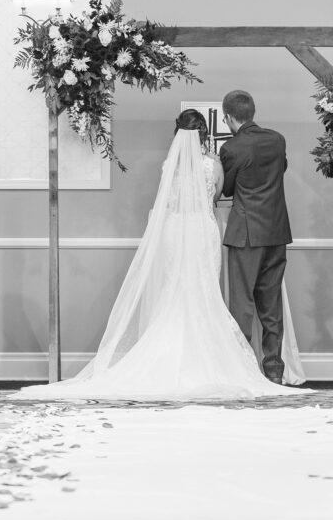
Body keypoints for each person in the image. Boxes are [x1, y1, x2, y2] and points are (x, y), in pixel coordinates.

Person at [19, 111, 299, 401]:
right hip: (203, 230)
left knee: (174, 289)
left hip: (175, 229)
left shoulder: (170, 166)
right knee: (204, 292)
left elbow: (170, 200)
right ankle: (230, 362)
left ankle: (168, 356)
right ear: (203, 134)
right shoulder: (213, 164)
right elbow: (215, 196)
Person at [218, 90, 292, 384]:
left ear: (228, 118)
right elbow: (281, 170)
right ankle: (274, 370)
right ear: (252, 112)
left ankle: (244, 371)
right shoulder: (277, 139)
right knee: (271, 306)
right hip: (276, 231)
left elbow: (227, 189)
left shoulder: (232, 148)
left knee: (242, 306)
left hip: (246, 234)